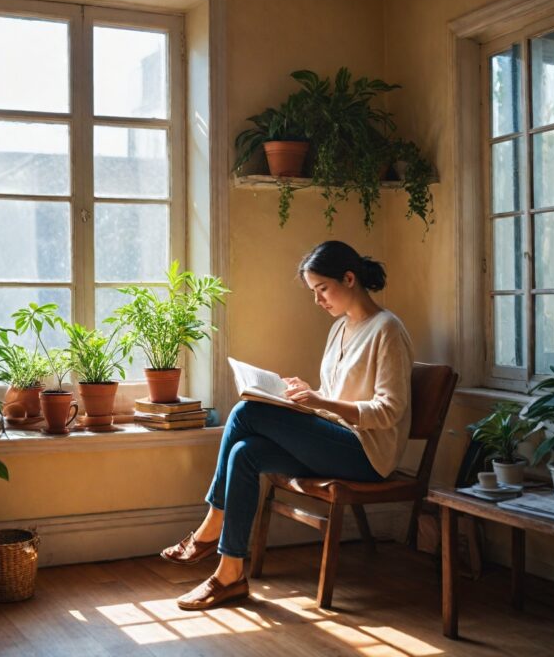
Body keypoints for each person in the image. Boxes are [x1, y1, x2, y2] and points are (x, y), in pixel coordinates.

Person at [161, 240, 414, 610]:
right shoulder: (339, 329)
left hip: (367, 455)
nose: (318, 300)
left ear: (349, 278)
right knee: (246, 454)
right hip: (337, 441)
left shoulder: (387, 329)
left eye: (322, 289)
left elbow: (388, 410)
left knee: (247, 413)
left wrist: (321, 402)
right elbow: (334, 395)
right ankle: (229, 574)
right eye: (314, 292)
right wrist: (306, 394)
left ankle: (213, 522)